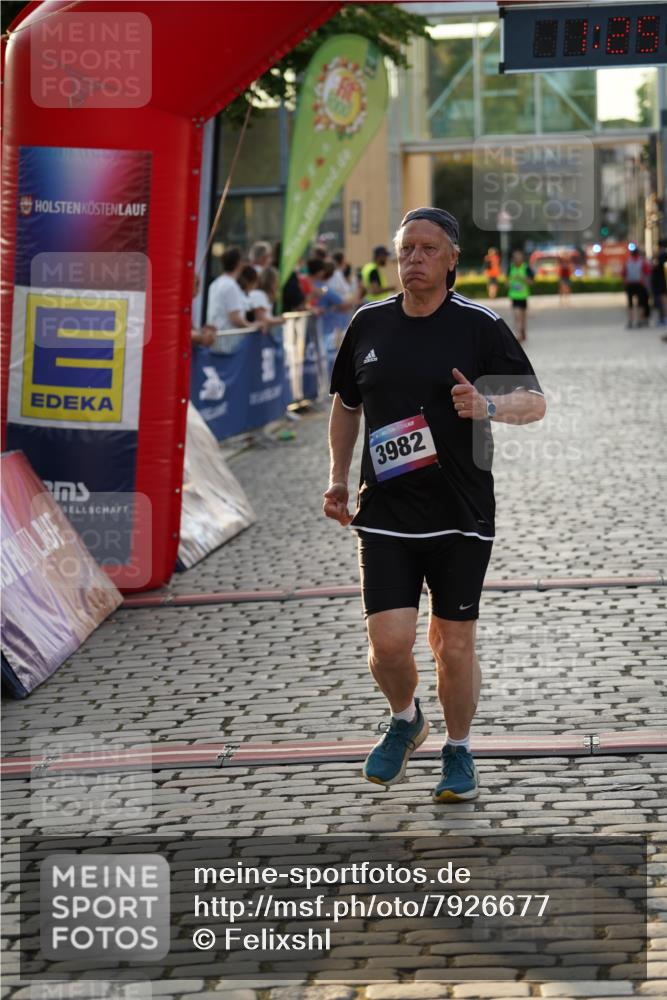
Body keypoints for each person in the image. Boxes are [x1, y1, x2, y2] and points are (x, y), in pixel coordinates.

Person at [323, 206, 545, 802]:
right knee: (388, 643)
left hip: (460, 509)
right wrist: (338, 479)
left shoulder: (478, 326)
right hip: (387, 508)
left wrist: (488, 407)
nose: (413, 260)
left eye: (426, 250)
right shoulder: (368, 325)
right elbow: (346, 404)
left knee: (453, 642)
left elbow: (534, 401)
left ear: (451, 260)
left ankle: (459, 749)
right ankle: (405, 719)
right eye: (405, 250)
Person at [507, 249, 534, 342]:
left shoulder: (526, 268)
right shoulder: (510, 268)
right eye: (515, 258)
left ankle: (522, 332)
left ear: (522, 258)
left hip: (523, 296)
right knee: (517, 316)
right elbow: (506, 283)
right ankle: (518, 334)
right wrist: (509, 283)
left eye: (518, 257)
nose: (516, 260)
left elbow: (531, 282)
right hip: (514, 296)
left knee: (522, 317)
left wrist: (523, 278)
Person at [622, 245, 650, 329]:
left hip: (629, 284)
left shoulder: (627, 261)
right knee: (640, 303)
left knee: (630, 304)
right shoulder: (642, 261)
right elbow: (648, 272)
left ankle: (630, 321)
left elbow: (623, 273)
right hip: (640, 284)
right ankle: (639, 321)